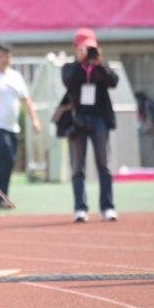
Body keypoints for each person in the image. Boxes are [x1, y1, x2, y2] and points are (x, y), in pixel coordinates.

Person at [61, 28, 119, 223]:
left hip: (100, 120)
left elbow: (113, 82)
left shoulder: (101, 67)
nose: (89, 52)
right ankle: (80, 208)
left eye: (92, 48)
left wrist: (98, 64)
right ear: (76, 48)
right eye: (85, 48)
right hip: (78, 121)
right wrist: (81, 62)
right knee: (78, 167)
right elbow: (69, 83)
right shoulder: (70, 68)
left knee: (104, 165)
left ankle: (107, 207)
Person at [0, 44, 41, 209]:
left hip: (12, 126)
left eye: (7, 56)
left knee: (9, 160)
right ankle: (0, 195)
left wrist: (35, 120)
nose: (4, 59)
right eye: (0, 55)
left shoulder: (16, 76)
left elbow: (26, 99)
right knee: (6, 154)